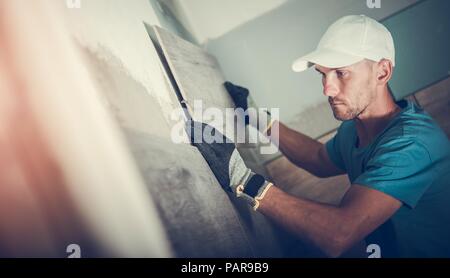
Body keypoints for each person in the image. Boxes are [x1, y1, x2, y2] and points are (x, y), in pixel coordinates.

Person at [187, 15, 450, 257]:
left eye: (341, 73)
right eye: (322, 75)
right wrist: (259, 119)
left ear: (382, 72)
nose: (327, 89)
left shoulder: (412, 145)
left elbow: (339, 234)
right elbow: (318, 159)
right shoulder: (355, 126)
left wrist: (243, 179)